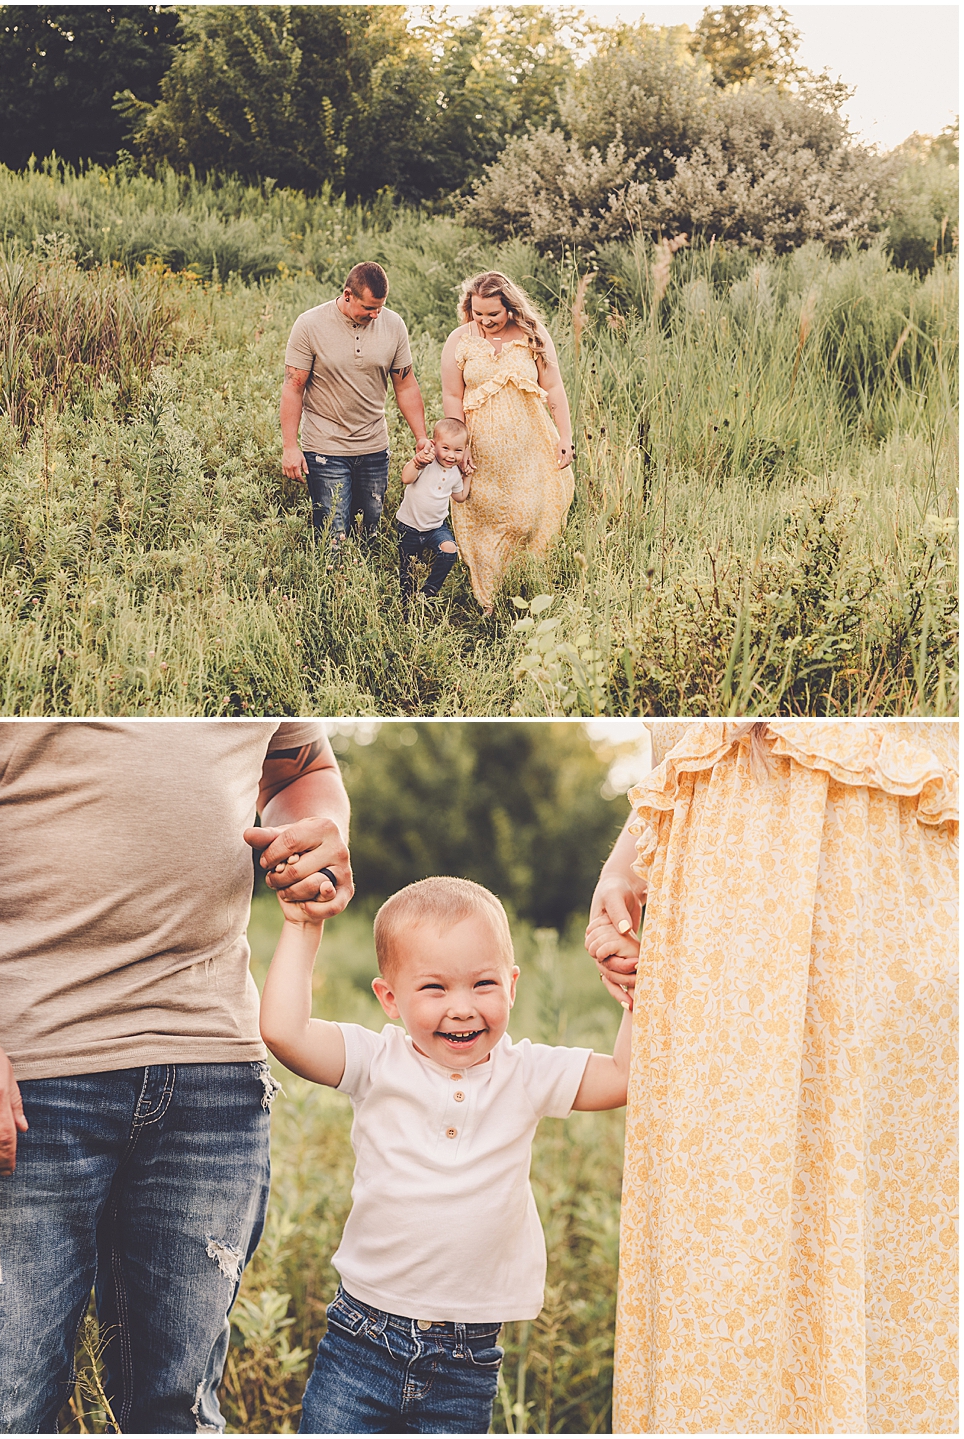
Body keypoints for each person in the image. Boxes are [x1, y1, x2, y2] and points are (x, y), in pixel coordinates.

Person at [0, 719, 354, 1435]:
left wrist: (317, 831)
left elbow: (301, 771)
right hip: (22, 1071)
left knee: (177, 1414)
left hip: (212, 1072)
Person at [585, 720, 958, 1434]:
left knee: (891, 1223)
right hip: (723, 882)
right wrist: (628, 861)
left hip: (877, 862)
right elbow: (692, 737)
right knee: (725, 1224)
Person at [260, 874, 633, 1434]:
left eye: (483, 984)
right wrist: (302, 925)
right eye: (434, 988)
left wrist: (635, 991)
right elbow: (283, 1032)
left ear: (511, 986)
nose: (462, 1008)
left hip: (467, 1361)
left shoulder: (527, 1074)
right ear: (389, 998)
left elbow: (625, 1076)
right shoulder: (376, 1063)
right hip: (363, 1342)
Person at [440, 271, 574, 614]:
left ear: (510, 307)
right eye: (478, 313)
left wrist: (565, 436)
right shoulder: (460, 340)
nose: (485, 321)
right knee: (485, 521)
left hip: (530, 449)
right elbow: (452, 395)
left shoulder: (532, 334)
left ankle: (528, 587)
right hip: (480, 453)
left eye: (493, 314)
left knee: (525, 518)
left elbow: (554, 388)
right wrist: (460, 446)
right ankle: (490, 602)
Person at [281, 260, 432, 548]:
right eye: (369, 308)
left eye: (380, 308)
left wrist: (421, 436)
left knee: (368, 536)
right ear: (348, 295)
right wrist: (290, 447)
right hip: (325, 449)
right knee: (333, 539)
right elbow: (293, 387)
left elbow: (406, 385)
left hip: (374, 448)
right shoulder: (310, 325)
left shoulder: (394, 325)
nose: (375, 315)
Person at [395, 416, 471, 609]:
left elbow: (460, 497)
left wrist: (467, 476)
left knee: (450, 550)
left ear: (465, 450)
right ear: (433, 444)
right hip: (409, 527)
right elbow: (406, 478)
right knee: (408, 573)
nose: (451, 456)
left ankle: (429, 590)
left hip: (436, 528)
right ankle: (408, 607)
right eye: (445, 448)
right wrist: (417, 461)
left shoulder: (455, 473)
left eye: (458, 450)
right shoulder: (425, 463)